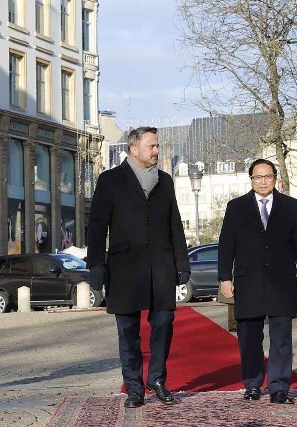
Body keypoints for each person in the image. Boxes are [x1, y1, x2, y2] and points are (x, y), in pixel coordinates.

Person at [87, 126, 190, 408]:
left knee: (164, 323)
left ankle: (157, 380)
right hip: (124, 269)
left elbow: (175, 226)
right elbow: (96, 226)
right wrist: (95, 264)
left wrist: (182, 263)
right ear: (134, 149)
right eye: (152, 146)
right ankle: (134, 387)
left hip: (161, 266)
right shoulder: (110, 180)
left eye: (157, 146)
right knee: (128, 331)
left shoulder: (165, 182)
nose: (157, 151)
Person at [218, 159, 297, 404]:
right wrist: (225, 277)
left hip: (281, 282)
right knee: (249, 337)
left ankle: (279, 387)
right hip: (247, 281)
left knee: (281, 337)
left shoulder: (290, 206)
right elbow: (226, 245)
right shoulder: (236, 207)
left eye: (267, 177)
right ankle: (252, 384)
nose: (263, 181)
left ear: (275, 178)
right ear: (251, 179)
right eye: (258, 177)